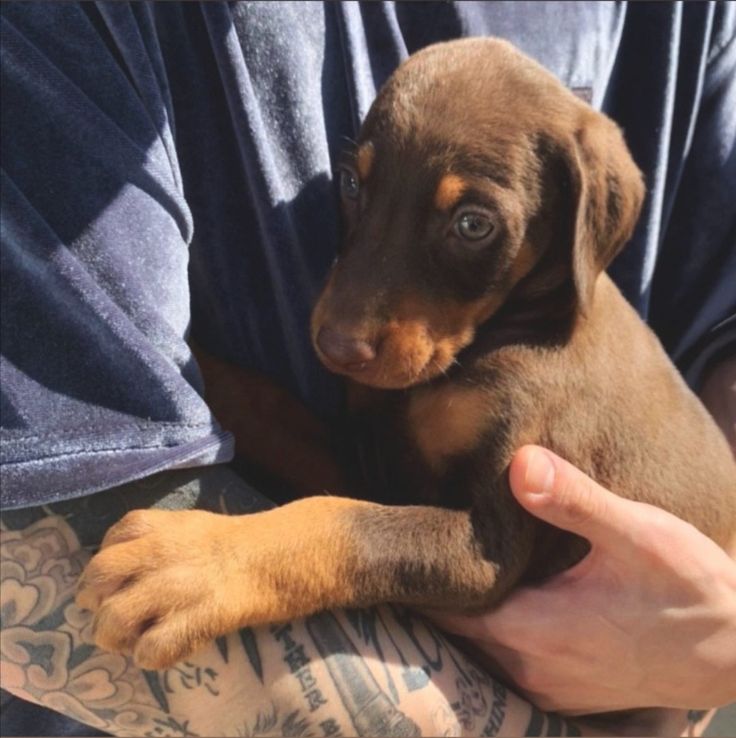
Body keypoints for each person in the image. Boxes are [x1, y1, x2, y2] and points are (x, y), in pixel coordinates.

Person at [1, 2, 734, 736]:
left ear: (579, 233)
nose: (349, 325)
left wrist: (259, 560)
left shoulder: (533, 370)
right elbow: (365, 476)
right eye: (357, 188)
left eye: (473, 225)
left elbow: (479, 554)